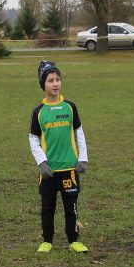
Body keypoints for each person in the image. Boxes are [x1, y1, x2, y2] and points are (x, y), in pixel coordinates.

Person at [29, 61, 89, 253]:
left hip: (69, 169)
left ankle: (74, 240)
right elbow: (33, 139)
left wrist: (83, 159)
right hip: (49, 171)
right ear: (43, 84)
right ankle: (47, 240)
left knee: (71, 207)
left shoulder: (70, 107)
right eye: (50, 80)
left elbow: (79, 133)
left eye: (57, 79)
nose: (55, 83)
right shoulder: (38, 112)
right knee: (48, 207)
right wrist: (42, 163)